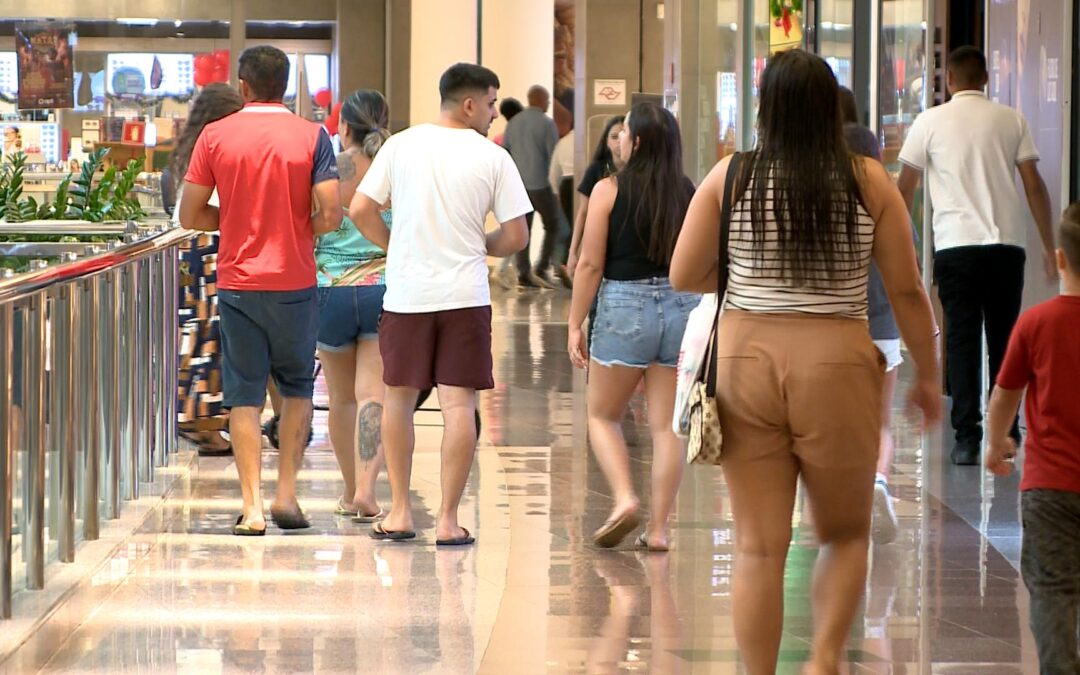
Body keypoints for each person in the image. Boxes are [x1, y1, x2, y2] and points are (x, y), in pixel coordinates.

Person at [671, 50, 941, 674]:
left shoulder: (731, 176)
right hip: (837, 362)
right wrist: (928, 375)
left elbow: (685, 273)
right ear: (830, 109)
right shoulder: (868, 179)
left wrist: (744, 271)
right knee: (845, 533)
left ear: (765, 108)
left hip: (745, 359)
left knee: (759, 548)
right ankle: (822, 662)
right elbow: (905, 290)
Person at [349, 63, 530, 546]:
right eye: (492, 104)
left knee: (399, 400)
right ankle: (448, 521)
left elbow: (360, 209)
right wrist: (481, 244)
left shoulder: (401, 145)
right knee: (458, 404)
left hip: (408, 295)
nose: (494, 113)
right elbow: (516, 235)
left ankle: (402, 512)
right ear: (470, 104)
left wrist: (395, 246)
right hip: (464, 297)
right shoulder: (492, 158)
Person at [179, 45, 341, 536]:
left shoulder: (214, 135)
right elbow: (331, 215)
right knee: (295, 389)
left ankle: (252, 509)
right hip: (295, 281)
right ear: (286, 87)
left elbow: (190, 215)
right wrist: (292, 227)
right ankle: (286, 495)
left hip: (238, 284)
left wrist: (234, 221)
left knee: (244, 396)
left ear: (243, 87)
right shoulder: (314, 136)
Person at [897, 46, 1056, 466]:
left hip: (955, 247)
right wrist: (1049, 245)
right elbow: (1034, 185)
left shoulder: (929, 121)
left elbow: (905, 188)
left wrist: (904, 246)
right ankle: (1006, 433)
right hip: (1006, 246)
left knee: (962, 342)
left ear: (949, 79)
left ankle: (966, 439)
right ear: (985, 78)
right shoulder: (1011, 119)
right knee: (1005, 339)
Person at [567, 101, 698, 552]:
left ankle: (624, 497)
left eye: (624, 133)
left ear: (637, 142)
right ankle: (658, 531)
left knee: (603, 416)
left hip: (624, 305)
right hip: (680, 307)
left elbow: (589, 264)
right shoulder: (687, 190)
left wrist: (574, 322)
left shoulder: (609, 189)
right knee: (666, 428)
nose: (618, 140)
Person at [986, 203, 1080, 675]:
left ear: (1060, 259)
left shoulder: (1037, 322)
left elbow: (1005, 394)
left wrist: (995, 442)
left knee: (1053, 590)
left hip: (1049, 490)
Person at [314, 89, 392, 522]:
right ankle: (367, 490)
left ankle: (348, 491)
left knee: (341, 399)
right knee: (372, 396)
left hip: (331, 289)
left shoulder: (331, 168)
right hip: (383, 287)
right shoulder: (394, 167)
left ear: (343, 127)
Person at [839, 86, 899, 545]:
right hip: (884, 328)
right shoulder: (888, 202)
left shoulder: (827, 207)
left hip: (836, 330)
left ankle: (845, 497)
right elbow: (911, 281)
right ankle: (878, 481)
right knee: (880, 422)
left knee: (837, 423)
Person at [171, 83, 244, 457]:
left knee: (195, 335)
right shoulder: (222, 147)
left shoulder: (190, 150)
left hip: (187, 249)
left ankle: (200, 417)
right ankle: (205, 423)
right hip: (210, 247)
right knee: (210, 337)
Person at [504, 85, 567, 288]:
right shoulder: (546, 124)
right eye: (547, 100)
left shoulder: (513, 123)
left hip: (518, 186)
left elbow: (506, 152)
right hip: (541, 184)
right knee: (553, 224)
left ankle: (523, 272)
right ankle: (542, 266)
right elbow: (553, 155)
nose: (548, 104)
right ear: (540, 100)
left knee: (524, 228)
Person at [567, 115, 625, 277]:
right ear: (606, 141)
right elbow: (583, 212)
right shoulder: (596, 170)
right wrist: (572, 252)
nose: (619, 142)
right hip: (598, 243)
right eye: (614, 137)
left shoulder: (640, 171)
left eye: (623, 135)